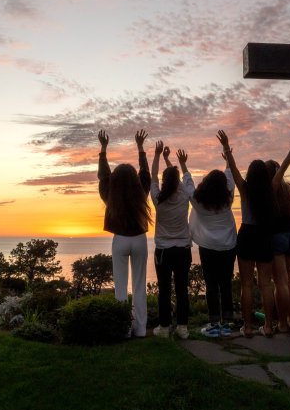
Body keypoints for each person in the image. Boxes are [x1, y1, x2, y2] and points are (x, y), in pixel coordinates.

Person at [217, 129, 276, 337]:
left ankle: (248, 328)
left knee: (247, 285)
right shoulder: (271, 190)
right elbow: (281, 171)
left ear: (250, 174)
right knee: (266, 284)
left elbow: (233, 170)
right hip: (264, 236)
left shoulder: (245, 189)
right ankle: (268, 326)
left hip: (247, 236)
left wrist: (226, 146)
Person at [97, 128, 151, 338]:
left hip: (119, 240)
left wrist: (103, 149)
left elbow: (103, 175)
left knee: (120, 288)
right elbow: (145, 173)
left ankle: (123, 329)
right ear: (135, 181)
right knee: (139, 286)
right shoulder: (141, 192)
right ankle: (140, 329)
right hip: (139, 240)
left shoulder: (109, 194)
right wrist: (140, 149)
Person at [189, 152, 238, 338]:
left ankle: (214, 323)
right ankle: (226, 324)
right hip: (228, 246)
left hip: (208, 246)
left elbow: (188, 185)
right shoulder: (229, 198)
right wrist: (227, 155)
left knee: (211, 284)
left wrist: (184, 165)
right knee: (226, 283)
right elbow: (230, 173)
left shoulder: (198, 202)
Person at [150, 142, 195, 339]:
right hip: (183, 250)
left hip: (164, 252)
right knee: (182, 289)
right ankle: (183, 328)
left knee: (164, 290)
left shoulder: (158, 198)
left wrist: (158, 155)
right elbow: (186, 178)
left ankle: (164, 327)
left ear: (164, 181)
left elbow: (152, 177)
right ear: (177, 181)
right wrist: (180, 163)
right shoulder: (185, 194)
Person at [267, 137, 290, 333]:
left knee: (280, 281)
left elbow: (280, 172)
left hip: (278, 235)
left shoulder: (273, 188)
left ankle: (281, 323)